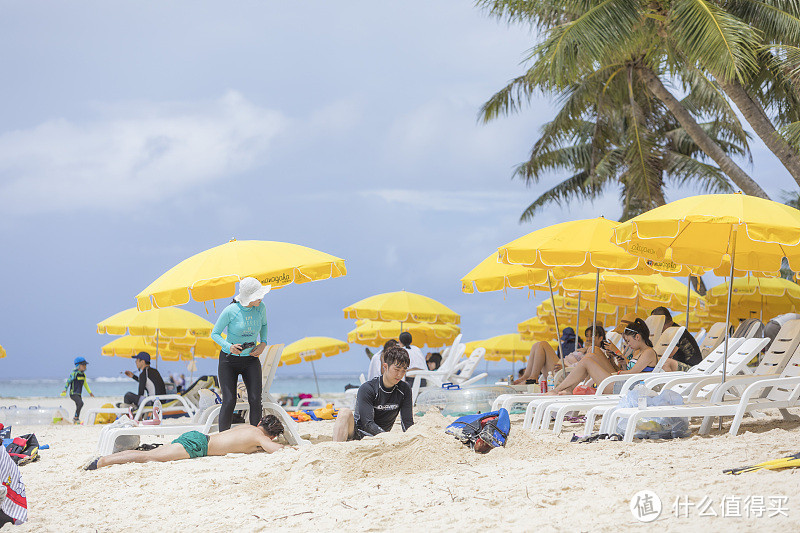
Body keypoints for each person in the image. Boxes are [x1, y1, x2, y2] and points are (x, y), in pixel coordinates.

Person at [85, 415, 285, 470]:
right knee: (148, 457)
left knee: (152, 454)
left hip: (197, 437)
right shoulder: (260, 437)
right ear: (272, 435)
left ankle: (104, 458)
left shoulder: (249, 428)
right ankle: (102, 462)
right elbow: (275, 450)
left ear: (259, 422)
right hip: (198, 446)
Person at [211, 277, 270, 431]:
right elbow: (215, 333)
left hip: (251, 360)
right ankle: (223, 438)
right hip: (229, 361)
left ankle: (256, 436)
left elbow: (264, 325)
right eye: (257, 295)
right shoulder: (231, 310)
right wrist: (229, 346)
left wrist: (263, 343)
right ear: (248, 297)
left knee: (255, 399)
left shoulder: (261, 307)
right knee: (229, 400)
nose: (261, 298)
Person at [547, 319, 658, 395]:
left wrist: (616, 373)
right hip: (623, 383)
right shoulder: (639, 352)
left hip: (626, 387)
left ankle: (557, 389)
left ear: (637, 337)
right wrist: (618, 364)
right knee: (591, 354)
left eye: (629, 341)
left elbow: (633, 373)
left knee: (587, 361)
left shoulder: (648, 352)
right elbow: (631, 372)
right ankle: (568, 389)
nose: (628, 344)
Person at [332, 346, 414, 441]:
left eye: (404, 370)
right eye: (397, 369)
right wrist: (388, 436)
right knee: (344, 412)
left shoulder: (404, 389)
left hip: (381, 439)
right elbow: (367, 424)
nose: (400, 375)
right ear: (385, 366)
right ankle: (336, 447)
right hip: (358, 435)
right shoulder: (368, 388)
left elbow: (407, 422)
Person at [513, 325, 607, 385]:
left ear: (600, 338)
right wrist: (584, 349)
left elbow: (586, 366)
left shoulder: (600, 353)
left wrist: (566, 366)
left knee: (543, 345)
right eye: (587, 335)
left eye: (592, 336)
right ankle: (527, 376)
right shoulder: (584, 349)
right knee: (536, 345)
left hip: (566, 374)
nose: (588, 338)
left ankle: (533, 378)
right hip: (560, 369)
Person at [62, 356, 94, 423]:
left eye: (85, 365)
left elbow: (85, 384)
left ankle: (76, 419)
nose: (85, 366)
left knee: (78, 405)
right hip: (73, 393)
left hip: (79, 393)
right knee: (80, 403)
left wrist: (90, 393)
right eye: (83, 365)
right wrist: (65, 390)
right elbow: (68, 382)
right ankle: (75, 418)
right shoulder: (74, 374)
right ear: (78, 365)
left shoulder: (83, 375)